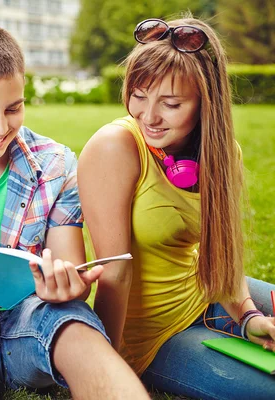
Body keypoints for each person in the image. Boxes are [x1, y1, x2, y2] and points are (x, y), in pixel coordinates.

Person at [0, 25, 149, 400]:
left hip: (33, 318)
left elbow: (69, 271)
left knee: (75, 327)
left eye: (13, 108)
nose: (0, 127)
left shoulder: (55, 165)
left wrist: (68, 287)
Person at [78, 16, 275, 399]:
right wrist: (106, 367)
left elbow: (219, 254)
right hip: (151, 339)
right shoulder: (114, 148)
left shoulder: (222, 153)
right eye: (139, 94)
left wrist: (248, 316)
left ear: (206, 103)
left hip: (208, 294)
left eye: (170, 103)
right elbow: (114, 274)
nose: (148, 116)